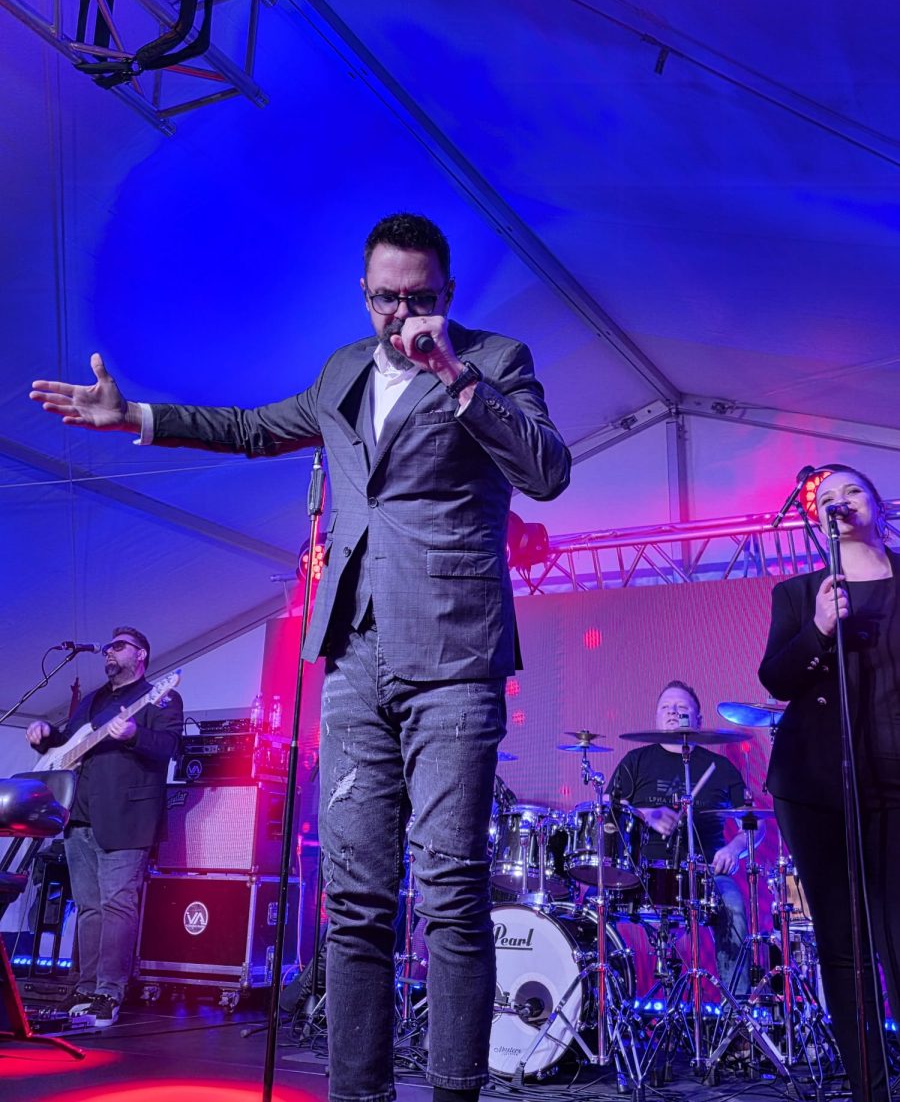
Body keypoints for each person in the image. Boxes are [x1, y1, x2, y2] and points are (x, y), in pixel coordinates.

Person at [30, 213, 571, 1102]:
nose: (402, 315)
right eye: (386, 299)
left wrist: (455, 375)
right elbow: (251, 426)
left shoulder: (495, 360)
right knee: (354, 900)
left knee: (449, 892)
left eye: (421, 298)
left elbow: (547, 471)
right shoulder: (343, 370)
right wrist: (136, 416)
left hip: (454, 656)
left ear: (448, 292)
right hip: (353, 653)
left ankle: (454, 1094)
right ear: (364, 293)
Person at [760, 464, 900, 1102]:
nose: (839, 502)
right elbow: (775, 679)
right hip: (817, 786)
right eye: (827, 498)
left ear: (876, 504)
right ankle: (870, 1091)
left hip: (893, 781)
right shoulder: (799, 592)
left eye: (852, 491)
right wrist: (819, 626)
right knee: (844, 945)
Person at [25, 626, 183, 1027]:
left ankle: (108, 993)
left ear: (141, 654)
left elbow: (169, 747)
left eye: (119, 647)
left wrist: (133, 734)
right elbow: (67, 744)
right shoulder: (93, 699)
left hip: (127, 818)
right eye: (108, 648)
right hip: (79, 814)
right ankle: (85, 986)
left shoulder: (160, 696)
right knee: (89, 907)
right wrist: (44, 736)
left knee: (117, 904)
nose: (109, 652)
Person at [608, 681, 758, 996]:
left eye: (681, 707)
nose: (673, 712)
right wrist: (647, 814)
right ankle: (603, 1003)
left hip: (706, 873)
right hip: (641, 873)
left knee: (733, 907)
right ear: (656, 717)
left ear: (698, 720)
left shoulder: (720, 767)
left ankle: (737, 1013)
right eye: (665, 707)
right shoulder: (635, 761)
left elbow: (755, 826)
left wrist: (734, 849)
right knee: (595, 905)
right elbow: (608, 812)